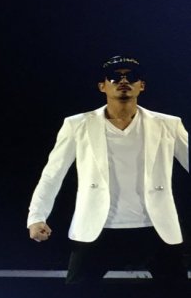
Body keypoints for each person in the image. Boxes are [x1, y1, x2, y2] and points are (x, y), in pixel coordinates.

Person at [27, 55, 189, 285]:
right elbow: (53, 174)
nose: (123, 81)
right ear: (102, 86)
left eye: (131, 77)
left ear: (141, 85)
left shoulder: (168, 124)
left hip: (156, 227)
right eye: (115, 77)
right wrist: (37, 217)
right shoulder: (77, 124)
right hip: (96, 227)